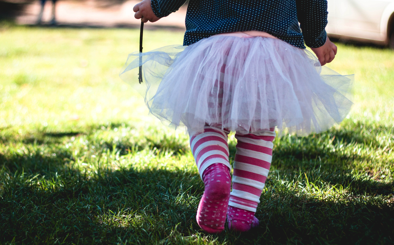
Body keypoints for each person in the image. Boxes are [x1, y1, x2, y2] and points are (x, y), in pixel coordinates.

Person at [121, 0, 353, 233]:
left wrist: (158, 6)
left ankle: (216, 170)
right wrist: (317, 38)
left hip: (213, 46)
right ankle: (242, 212)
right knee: (259, 131)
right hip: (271, 51)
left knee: (206, 122)